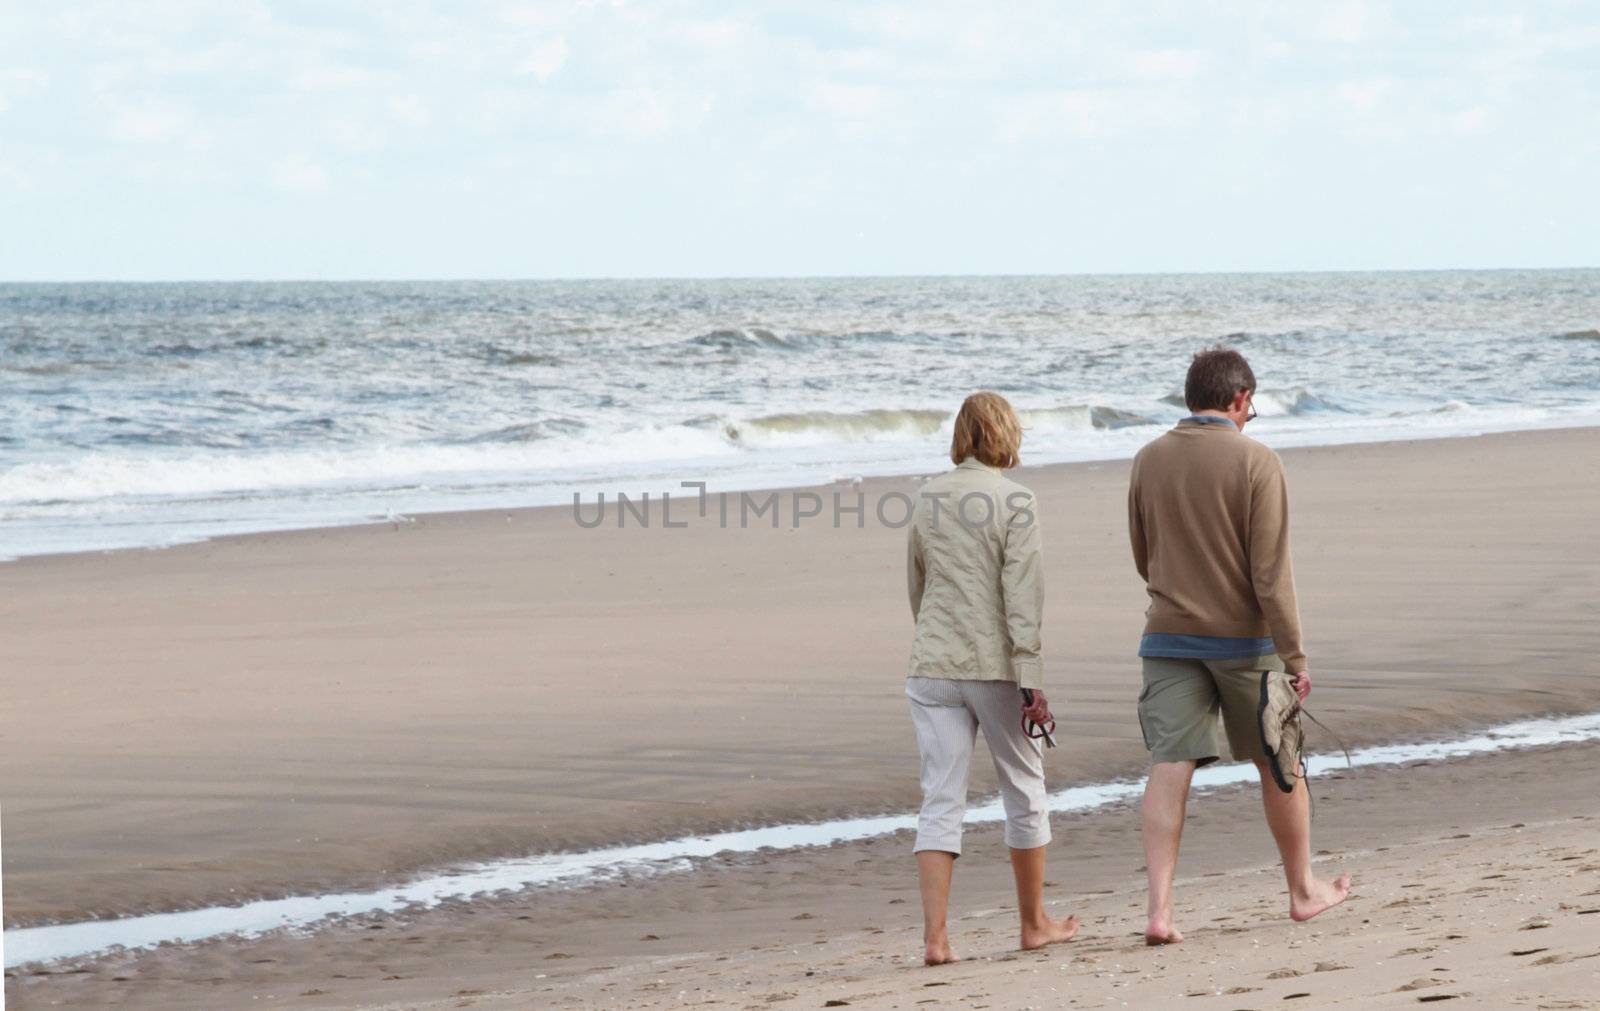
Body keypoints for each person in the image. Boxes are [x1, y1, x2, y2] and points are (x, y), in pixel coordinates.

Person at [1128, 347, 1352, 945]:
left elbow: (1141, 551)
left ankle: (1160, 911)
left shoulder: (1148, 459)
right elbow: (1271, 575)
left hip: (1168, 634)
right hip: (1244, 641)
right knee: (1278, 762)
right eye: (1251, 407)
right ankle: (1303, 890)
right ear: (1240, 400)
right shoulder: (1257, 461)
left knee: (1170, 764)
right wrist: (1296, 656)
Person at [905, 391, 1079, 966]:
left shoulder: (928, 496)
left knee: (940, 797)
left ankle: (936, 939)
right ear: (1006, 434)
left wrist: (935, 640)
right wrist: (1030, 675)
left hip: (932, 664)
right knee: (1025, 788)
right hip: (996, 667)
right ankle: (1033, 924)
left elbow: (919, 584)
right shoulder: (1016, 500)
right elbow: (1021, 595)